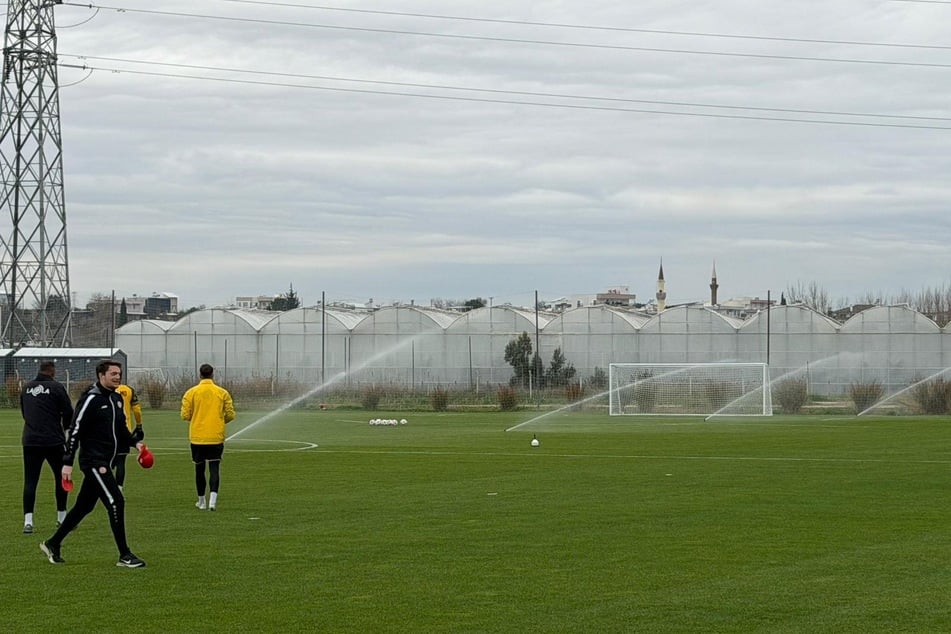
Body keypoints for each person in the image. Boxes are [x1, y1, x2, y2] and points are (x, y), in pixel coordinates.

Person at [39, 359, 147, 568]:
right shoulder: (91, 399)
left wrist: (136, 443)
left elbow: (121, 431)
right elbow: (75, 430)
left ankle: (53, 543)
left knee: (83, 507)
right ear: (101, 375)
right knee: (116, 501)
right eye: (113, 373)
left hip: (107, 460)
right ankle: (125, 555)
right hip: (93, 461)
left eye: (119, 374)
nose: (117, 377)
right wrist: (67, 462)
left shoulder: (116, 399)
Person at [20, 360, 74, 534]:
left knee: (30, 481)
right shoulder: (57, 388)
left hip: (30, 440)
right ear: (52, 372)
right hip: (53, 440)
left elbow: (24, 412)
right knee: (61, 477)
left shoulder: (26, 388)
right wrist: (66, 430)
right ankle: (61, 517)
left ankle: (28, 521)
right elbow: (68, 412)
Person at [181, 363, 235, 511]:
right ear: (212, 375)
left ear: (200, 375)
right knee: (214, 468)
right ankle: (213, 501)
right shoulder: (222, 393)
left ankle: (201, 501)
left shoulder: (191, 393)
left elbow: (185, 415)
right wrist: (219, 421)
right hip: (215, 437)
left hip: (197, 437)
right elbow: (230, 414)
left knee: (199, 469)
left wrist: (197, 417)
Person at [114, 383, 144, 493]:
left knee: (104, 462)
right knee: (121, 462)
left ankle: (102, 489)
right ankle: (119, 490)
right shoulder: (128, 390)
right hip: (125, 431)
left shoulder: (102, 389)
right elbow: (137, 410)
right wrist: (139, 426)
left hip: (107, 432)